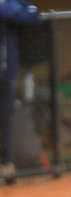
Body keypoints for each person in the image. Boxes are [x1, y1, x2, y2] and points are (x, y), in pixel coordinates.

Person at [0, 0, 39, 178]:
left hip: (7, 69)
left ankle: (5, 163)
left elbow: (33, 14)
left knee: (6, 116)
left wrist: (8, 12)